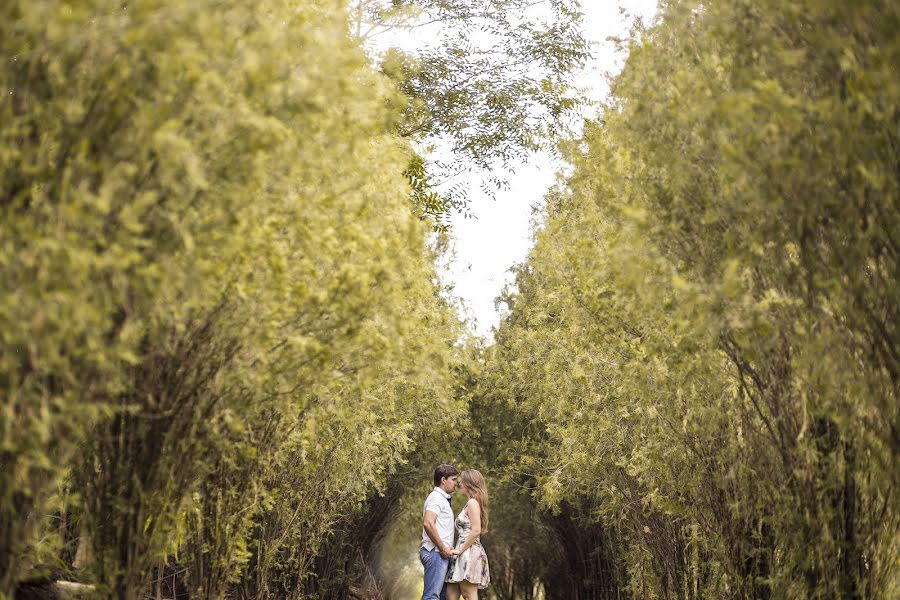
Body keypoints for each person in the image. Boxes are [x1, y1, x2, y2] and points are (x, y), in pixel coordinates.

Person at [445, 469, 490, 599]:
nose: (460, 485)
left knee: (468, 595)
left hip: (468, 552)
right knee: (450, 595)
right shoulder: (470, 503)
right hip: (462, 551)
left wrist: (459, 550)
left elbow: (476, 530)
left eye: (462, 482)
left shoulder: (473, 503)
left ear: (469, 484)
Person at [421, 464, 459, 600]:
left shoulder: (441, 499)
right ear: (443, 480)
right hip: (436, 553)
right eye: (453, 479)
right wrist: (443, 547)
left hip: (440, 554)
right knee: (432, 596)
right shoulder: (436, 498)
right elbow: (428, 523)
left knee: (441, 597)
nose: (456, 483)